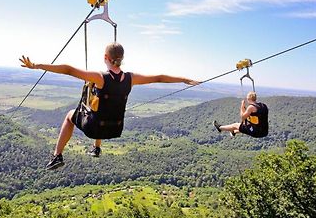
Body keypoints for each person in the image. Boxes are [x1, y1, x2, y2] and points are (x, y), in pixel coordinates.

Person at [20, 42, 199, 170]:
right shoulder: (131, 78)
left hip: (95, 128)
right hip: (115, 129)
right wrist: (184, 79)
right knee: (101, 110)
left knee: (70, 115)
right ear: (121, 59)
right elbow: (159, 77)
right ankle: (96, 148)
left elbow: (69, 69)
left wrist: (37, 65)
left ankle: (57, 155)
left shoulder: (100, 77)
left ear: (106, 58)